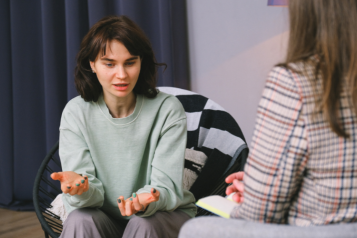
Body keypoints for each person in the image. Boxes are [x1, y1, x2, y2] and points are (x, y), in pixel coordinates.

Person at [179, 0, 357, 237]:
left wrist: (256, 195)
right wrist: (262, 184)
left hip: (317, 232)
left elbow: (260, 215)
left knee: (195, 230)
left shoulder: (294, 82)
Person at [50, 15, 196, 238]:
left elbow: (167, 189)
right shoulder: (76, 112)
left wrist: (146, 201)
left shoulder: (167, 109)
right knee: (80, 219)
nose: (122, 75)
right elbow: (91, 196)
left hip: (161, 218)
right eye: (109, 64)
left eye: (130, 62)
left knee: (142, 223)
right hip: (103, 219)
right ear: (92, 65)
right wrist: (82, 189)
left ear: (141, 62)